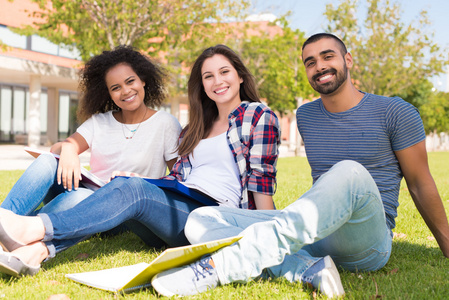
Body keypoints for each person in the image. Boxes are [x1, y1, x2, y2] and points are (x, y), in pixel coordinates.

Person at [150, 33, 449, 298]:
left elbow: (420, 183)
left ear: (348, 60)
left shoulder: (396, 111)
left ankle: (225, 266)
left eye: (328, 56)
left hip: (367, 239)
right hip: (318, 233)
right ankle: (307, 270)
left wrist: (446, 244)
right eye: (310, 61)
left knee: (348, 170)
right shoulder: (306, 116)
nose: (319, 65)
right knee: (201, 220)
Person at [0, 44, 280, 277]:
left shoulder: (257, 115)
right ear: (201, 84)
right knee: (115, 182)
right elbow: (178, 179)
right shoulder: (196, 127)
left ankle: (29, 229)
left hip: (213, 217)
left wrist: (267, 237)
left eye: (224, 72)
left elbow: (261, 182)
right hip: (173, 208)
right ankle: (35, 250)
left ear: (240, 76)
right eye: (208, 76)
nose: (217, 81)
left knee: (129, 188)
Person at [0, 45, 181, 216]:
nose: (125, 91)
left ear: (142, 80)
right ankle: (6, 218)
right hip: (90, 194)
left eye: (130, 81)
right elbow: (55, 150)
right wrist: (69, 148)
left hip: (126, 209)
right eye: (115, 88)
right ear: (108, 93)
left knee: (81, 197)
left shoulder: (166, 123)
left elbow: (176, 181)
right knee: (47, 162)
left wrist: (141, 181)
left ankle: (20, 228)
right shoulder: (99, 122)